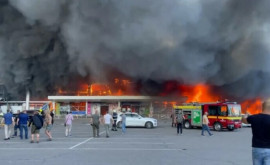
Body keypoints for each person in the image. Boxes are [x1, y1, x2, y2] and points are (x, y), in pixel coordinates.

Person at [242, 99, 270, 165]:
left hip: (257, 148)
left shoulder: (254, 118)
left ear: (262, 107)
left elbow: (244, 120)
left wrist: (245, 115)